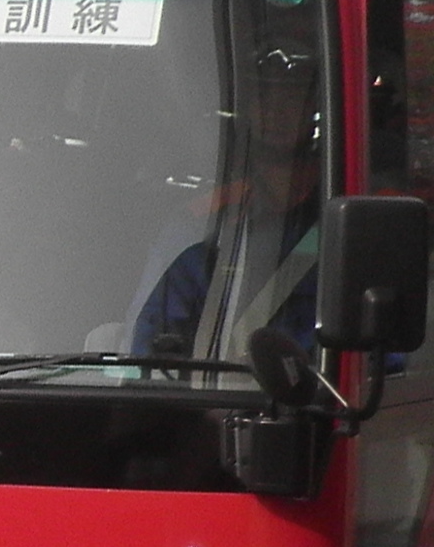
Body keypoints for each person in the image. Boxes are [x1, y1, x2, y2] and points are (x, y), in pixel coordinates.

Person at [132, 47, 322, 360]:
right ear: (245, 108)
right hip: (221, 386)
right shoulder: (201, 221)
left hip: (328, 388)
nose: (276, 112)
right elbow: (148, 346)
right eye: (264, 97)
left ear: (315, 105)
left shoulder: (348, 217)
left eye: (292, 97)